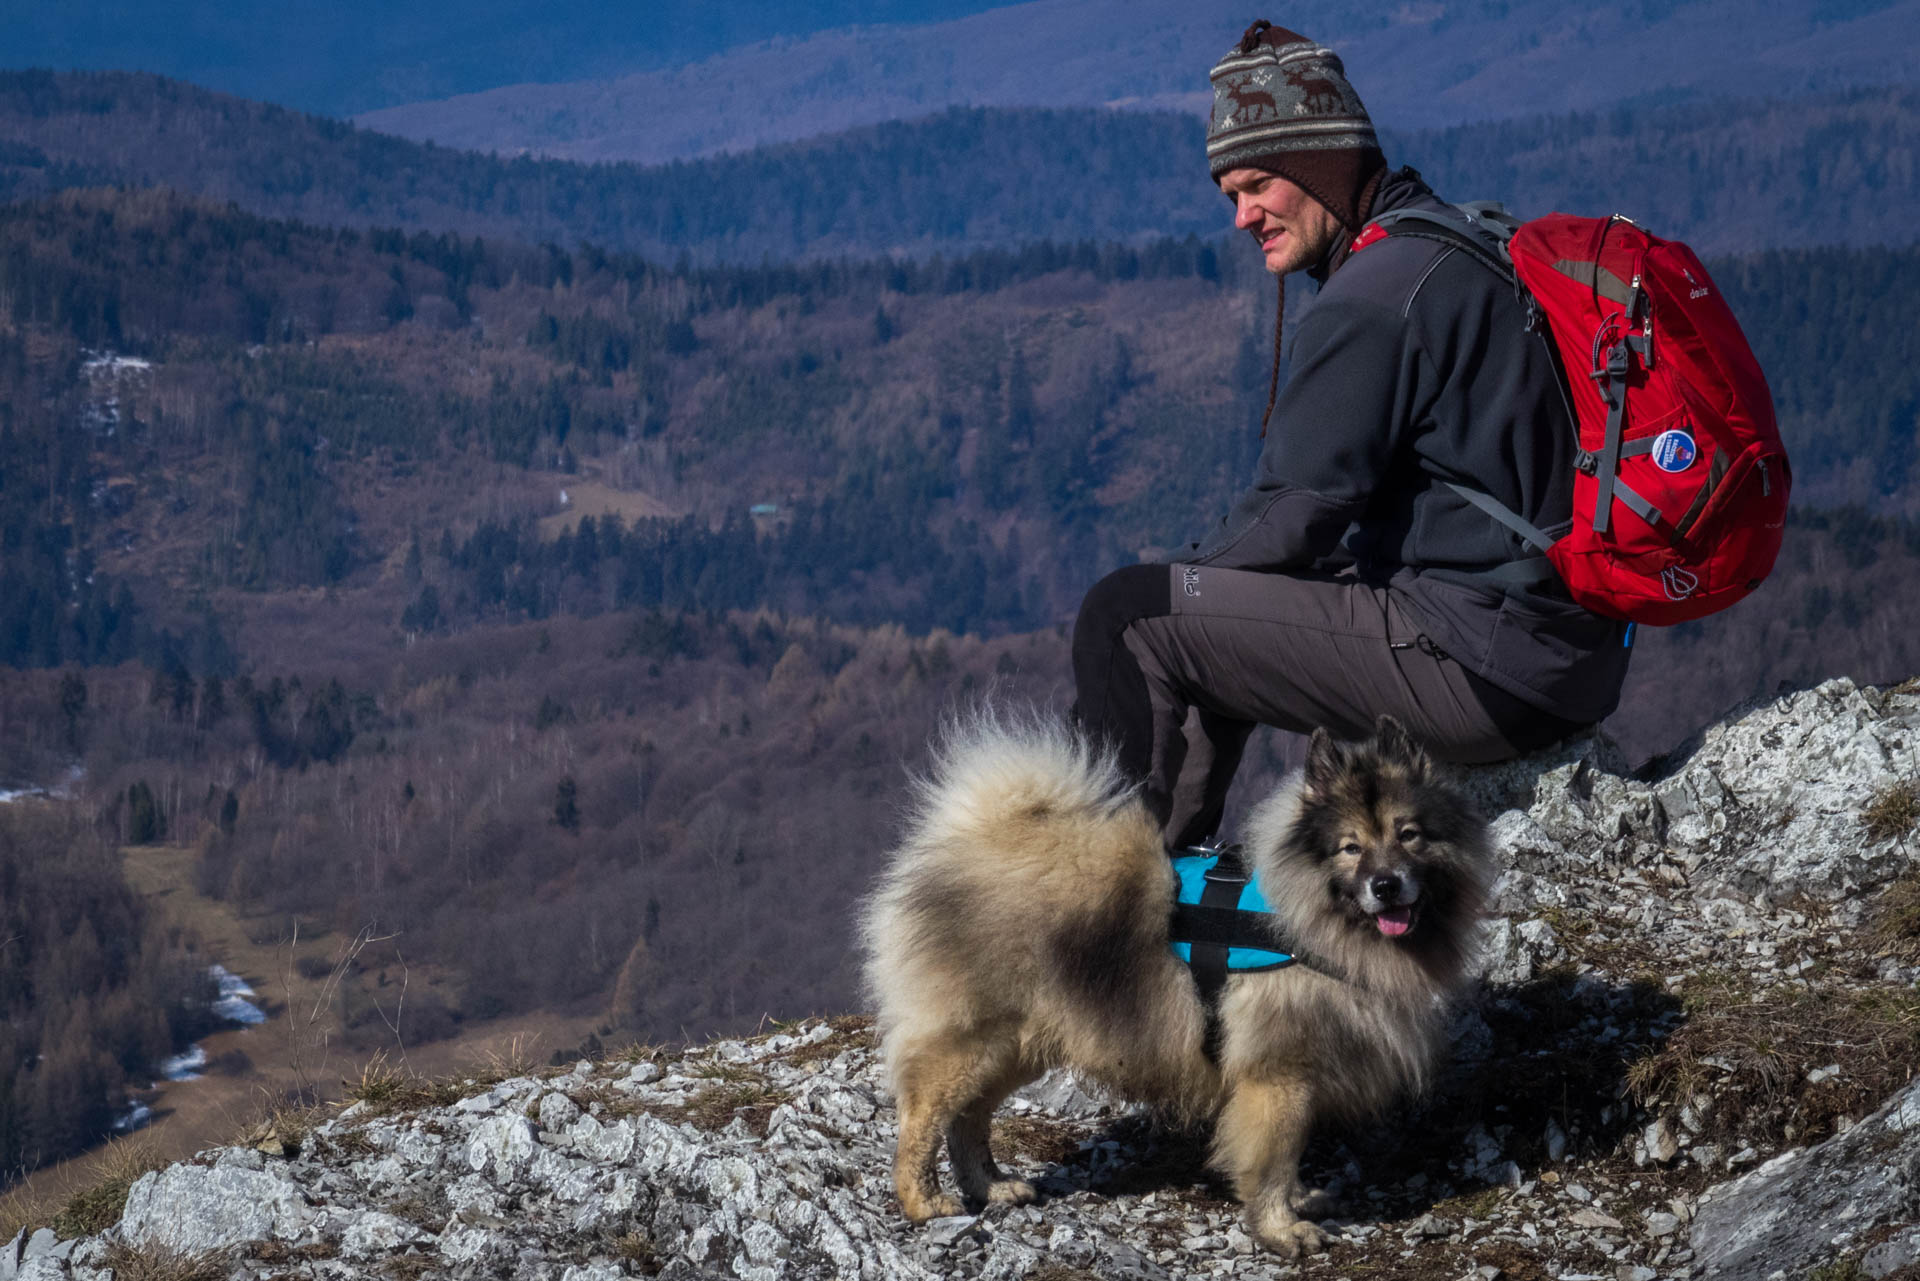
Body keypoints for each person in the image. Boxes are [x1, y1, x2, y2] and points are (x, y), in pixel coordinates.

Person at [1071, 19, 1633, 848]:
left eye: (1258, 184)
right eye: (1229, 195)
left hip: (1485, 664)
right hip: (1556, 653)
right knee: (1209, 610)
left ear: (1319, 165)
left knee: (1125, 616)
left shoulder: (1377, 295)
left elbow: (1292, 514)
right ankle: (1170, 868)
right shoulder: (1457, 243)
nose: (1241, 216)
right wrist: (1207, 593)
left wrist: (1177, 579)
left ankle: (1101, 894)